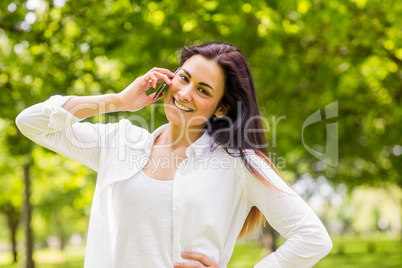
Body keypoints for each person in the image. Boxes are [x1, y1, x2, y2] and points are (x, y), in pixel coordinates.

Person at [16, 42, 332, 268]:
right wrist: (118, 100)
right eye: (184, 77)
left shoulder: (239, 163)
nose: (184, 93)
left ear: (222, 108)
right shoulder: (120, 141)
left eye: (203, 90)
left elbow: (312, 238)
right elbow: (32, 122)